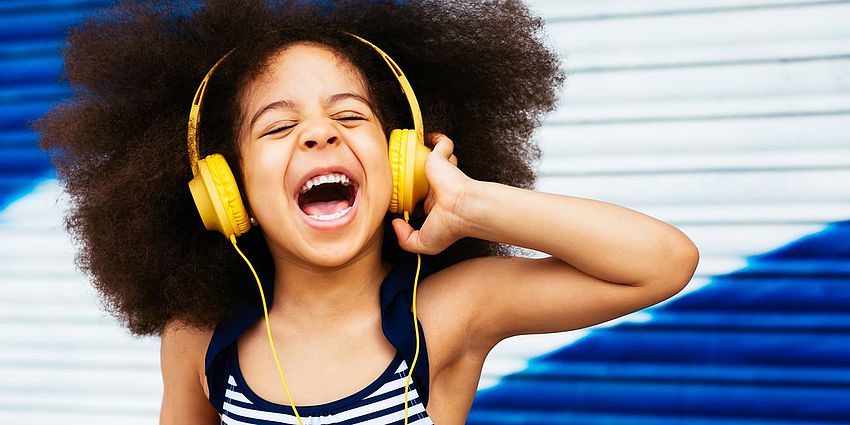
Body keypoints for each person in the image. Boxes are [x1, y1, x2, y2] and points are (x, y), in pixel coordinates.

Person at [35, 0, 699, 423]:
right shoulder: (200, 340)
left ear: (399, 163)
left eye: (350, 116)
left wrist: (467, 201)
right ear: (226, 190)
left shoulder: (446, 314)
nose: (321, 134)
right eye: (276, 127)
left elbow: (663, 263)